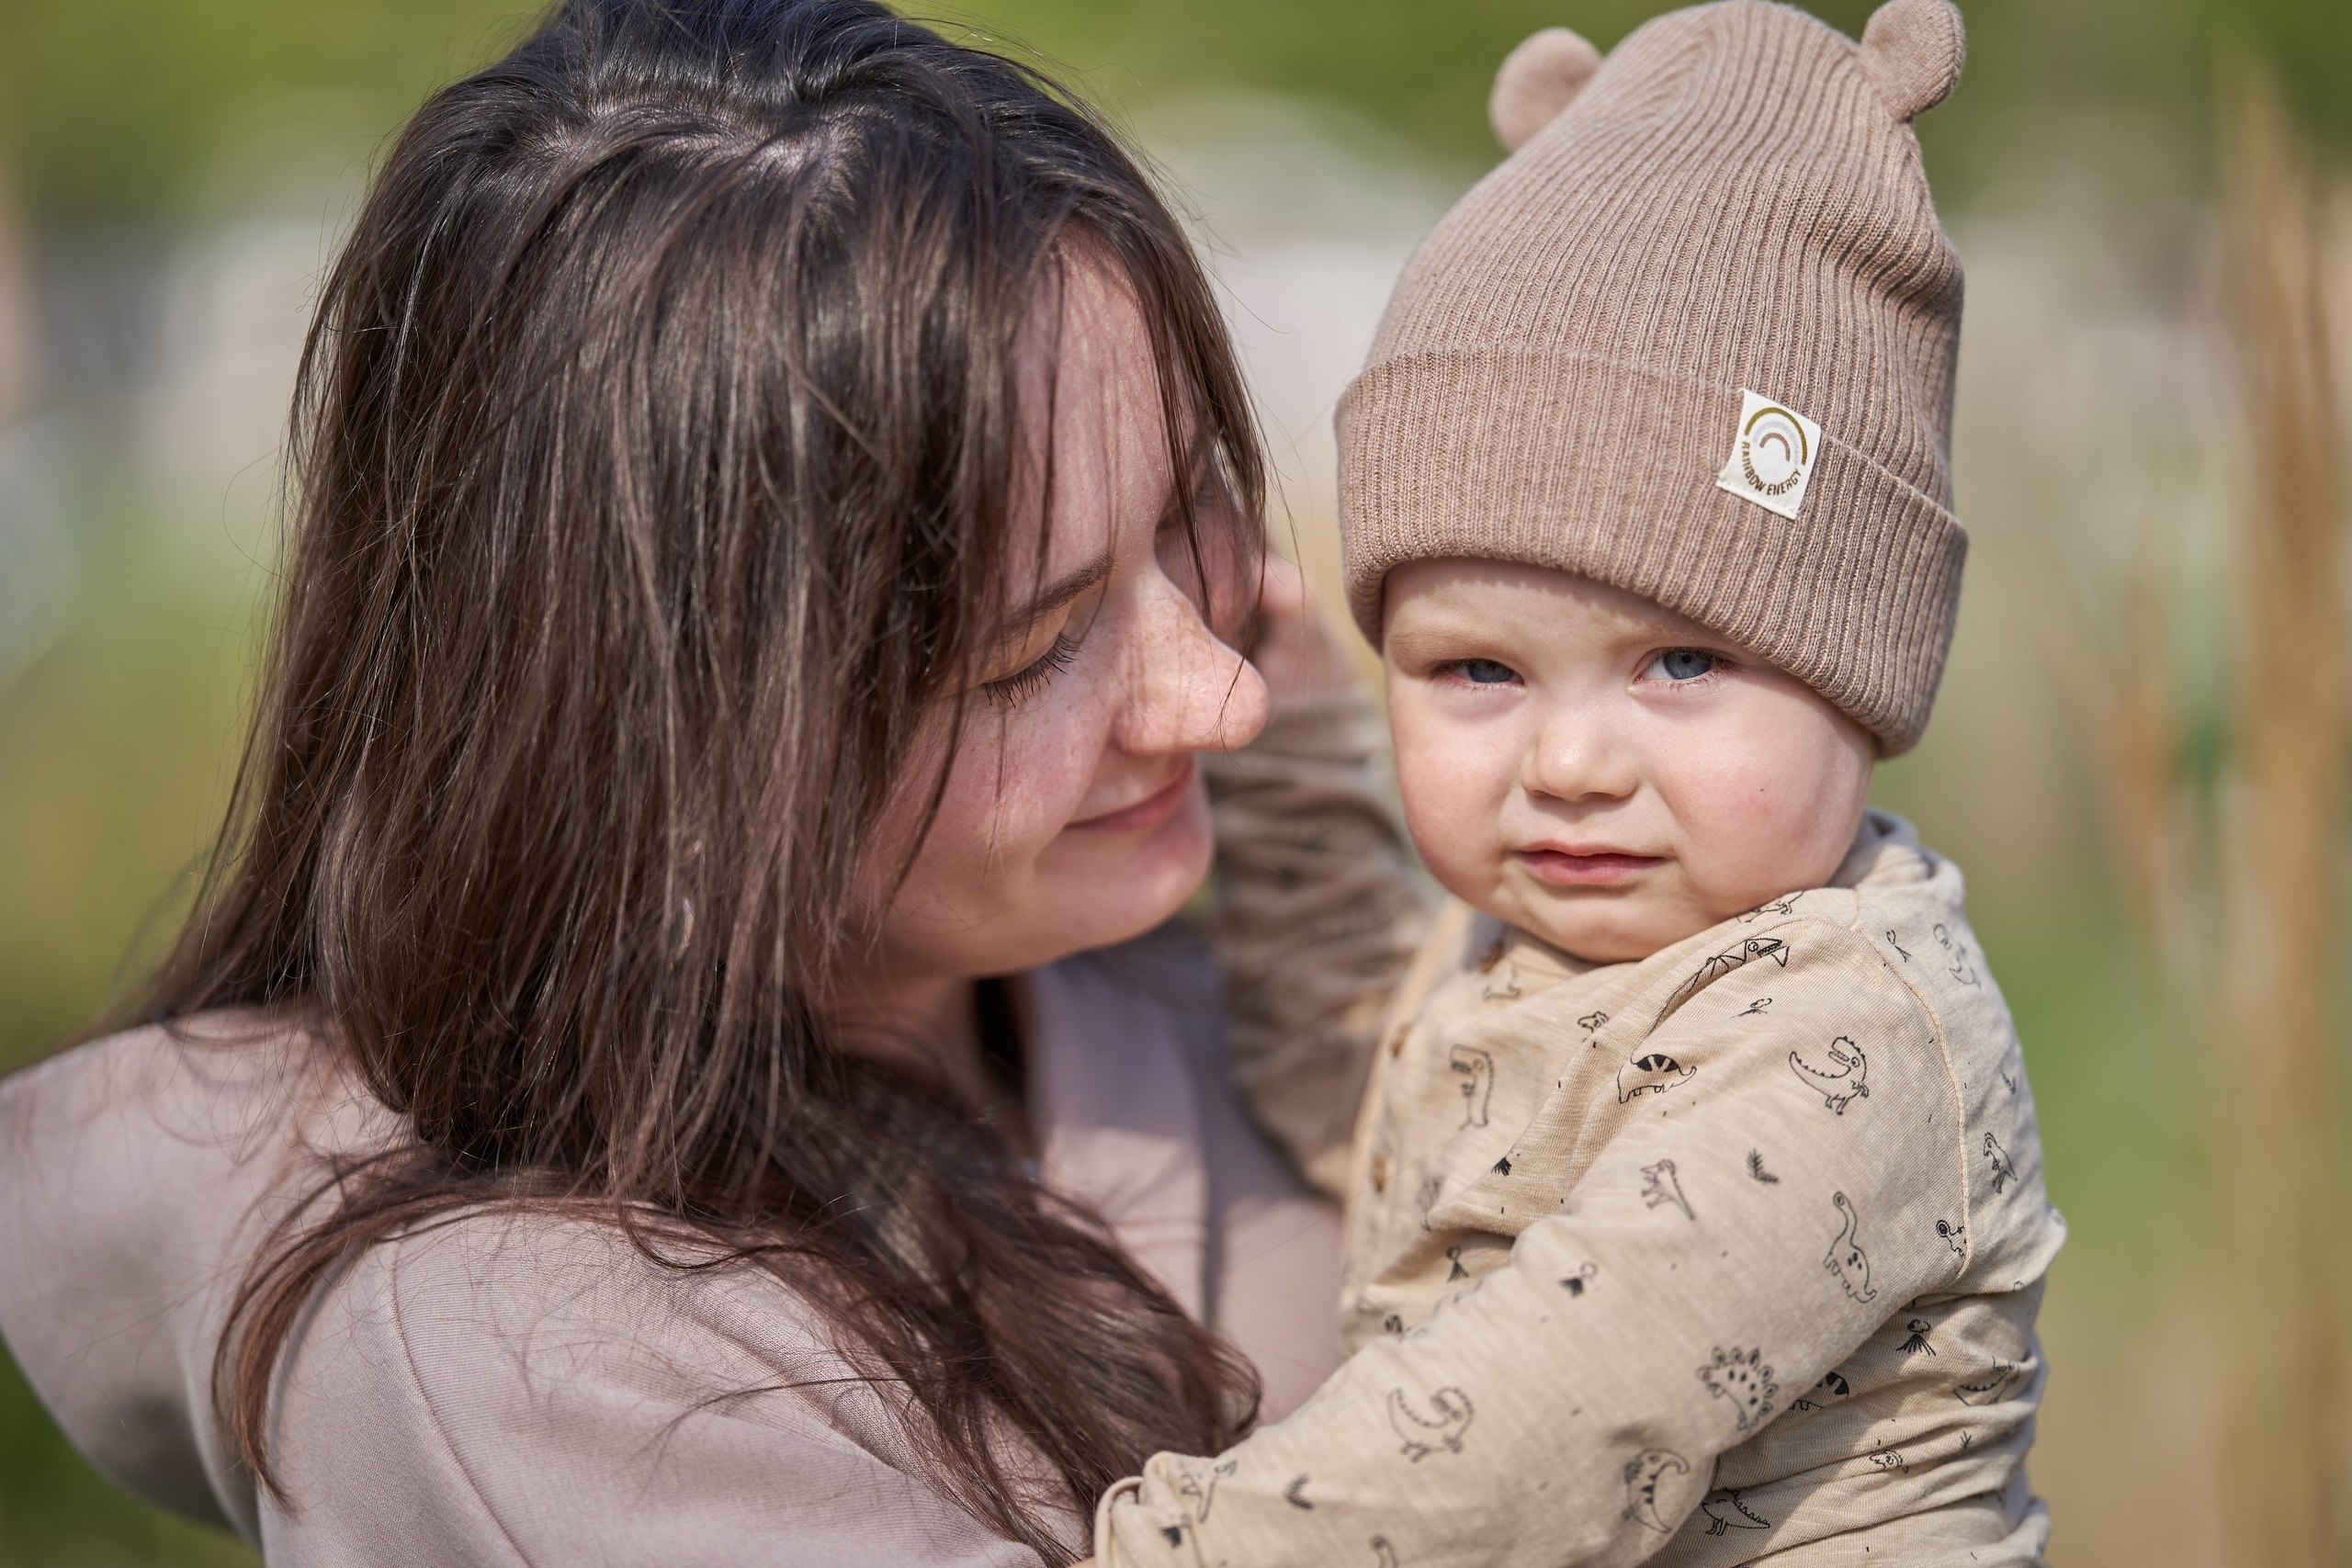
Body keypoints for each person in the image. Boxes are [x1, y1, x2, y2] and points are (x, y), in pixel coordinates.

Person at [0, 3, 1425, 1564]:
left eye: (1195, 512)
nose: (1224, 699)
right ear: (654, 744)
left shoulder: (1157, 959)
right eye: (1033, 654)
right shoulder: (536, 1365)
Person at [1092, 3, 2069, 1563]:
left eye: (1682, 665)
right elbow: (1359, 1039)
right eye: (1476, 672)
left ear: (1865, 680)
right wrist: (1289, 758)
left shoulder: (1858, 1039)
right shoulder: (1542, 950)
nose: (1568, 765)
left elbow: (1518, 1442)